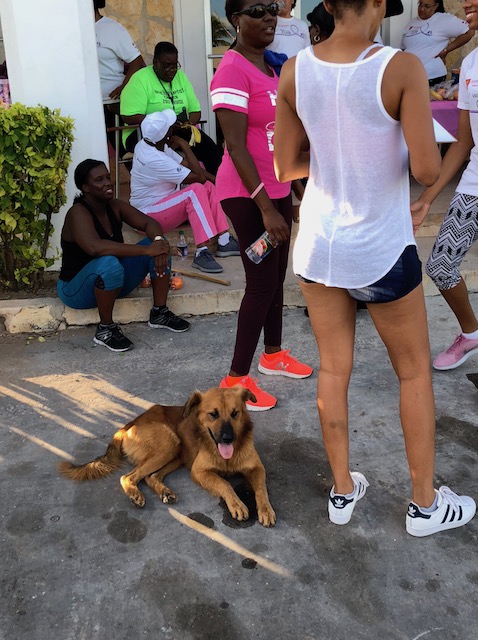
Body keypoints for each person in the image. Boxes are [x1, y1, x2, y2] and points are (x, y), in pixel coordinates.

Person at [274, 0, 476, 535]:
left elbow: (286, 165)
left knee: (333, 369)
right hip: (379, 247)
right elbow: (428, 166)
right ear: (381, 4)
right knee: (412, 373)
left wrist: (338, 156)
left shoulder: (296, 68)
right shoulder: (399, 67)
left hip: (318, 245)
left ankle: (343, 490)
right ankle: (425, 506)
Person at [210, 0, 313, 413]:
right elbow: (234, 145)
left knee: (275, 278)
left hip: (277, 188)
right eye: (257, 10)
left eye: (272, 8)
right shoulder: (232, 69)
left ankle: (273, 355)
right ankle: (234, 381)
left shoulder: (273, 67)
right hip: (248, 194)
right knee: (260, 283)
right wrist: (267, 208)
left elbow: (284, 137)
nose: (270, 16)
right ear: (237, 20)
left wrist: (298, 190)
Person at [411, 0, 478, 371]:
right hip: (474, 186)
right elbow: (464, 142)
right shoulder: (471, 64)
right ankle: (472, 333)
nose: (467, 3)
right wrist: (428, 197)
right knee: (440, 265)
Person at [57, 159, 190, 353]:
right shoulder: (78, 213)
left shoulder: (115, 206)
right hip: (75, 290)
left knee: (160, 245)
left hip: (111, 282)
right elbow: (95, 248)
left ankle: (160, 313)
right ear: (85, 187)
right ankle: (105, 329)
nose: (108, 183)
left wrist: (158, 242)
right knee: (109, 262)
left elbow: (149, 223)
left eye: (108, 177)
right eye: (99, 180)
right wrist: (146, 250)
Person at [130, 111, 240, 274]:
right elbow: (199, 178)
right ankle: (202, 251)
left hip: (161, 205)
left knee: (207, 185)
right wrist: (184, 145)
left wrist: (219, 183)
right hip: (147, 216)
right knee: (195, 190)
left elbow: (190, 165)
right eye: (170, 127)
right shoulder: (155, 159)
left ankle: (224, 240)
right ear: (166, 135)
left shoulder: (151, 145)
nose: (174, 128)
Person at [120, 41, 223, 174]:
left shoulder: (180, 76)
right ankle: (187, 185)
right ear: (155, 62)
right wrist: (162, 123)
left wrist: (189, 123)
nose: (172, 70)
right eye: (166, 65)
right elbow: (129, 116)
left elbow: (195, 111)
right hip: (144, 132)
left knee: (210, 150)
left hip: (179, 129)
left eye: (174, 65)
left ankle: (218, 188)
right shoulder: (140, 79)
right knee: (169, 156)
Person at [401, 0, 474, 86]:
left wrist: (447, 50)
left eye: (427, 6)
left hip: (431, 76)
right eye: (420, 5)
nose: (422, 9)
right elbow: (404, 49)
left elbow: (470, 31)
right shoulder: (412, 23)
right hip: (409, 76)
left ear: (436, 6)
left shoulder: (444, 20)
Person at [93, 0, 145, 102]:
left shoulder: (112, 28)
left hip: (111, 102)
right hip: (85, 101)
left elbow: (137, 62)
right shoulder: (74, 28)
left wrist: (123, 88)